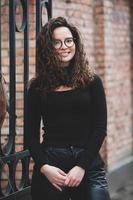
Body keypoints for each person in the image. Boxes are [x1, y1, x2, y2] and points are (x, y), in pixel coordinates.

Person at [27, 16, 110, 200]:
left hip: (87, 162)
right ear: (48, 48)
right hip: (51, 162)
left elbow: (99, 129)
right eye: (57, 43)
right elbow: (30, 136)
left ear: (75, 43)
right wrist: (44, 167)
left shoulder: (92, 82)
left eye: (68, 40)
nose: (65, 46)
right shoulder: (37, 87)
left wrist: (81, 166)